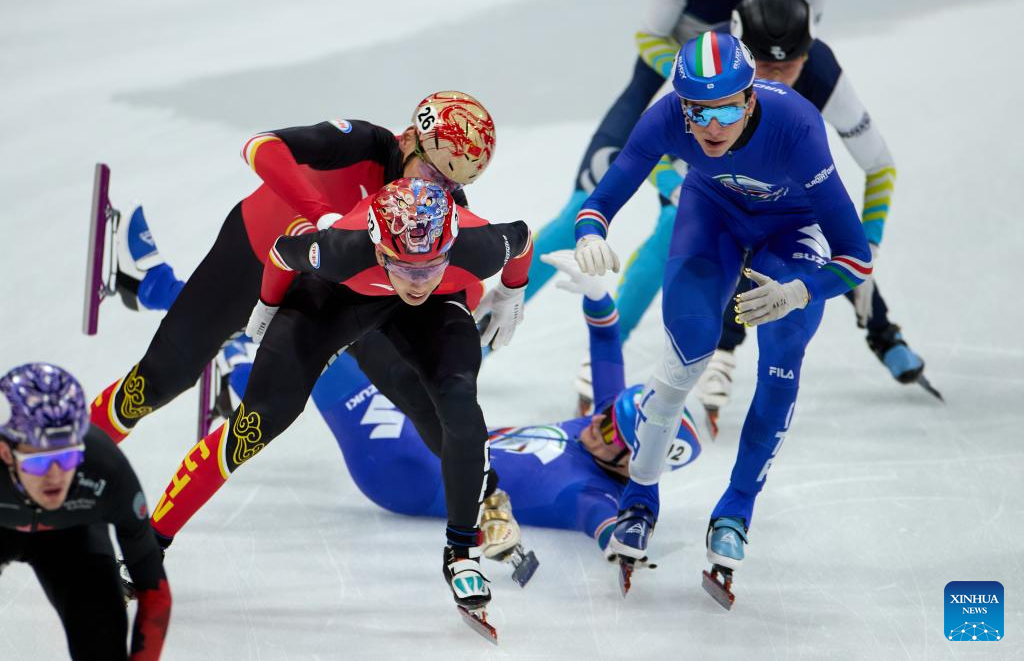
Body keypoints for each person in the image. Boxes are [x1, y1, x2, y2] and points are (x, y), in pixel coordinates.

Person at [147, 177, 531, 633]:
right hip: (338, 296)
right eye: (405, 268)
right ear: (379, 250)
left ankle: (461, 552)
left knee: (459, 404)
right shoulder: (340, 249)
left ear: (450, 247)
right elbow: (280, 252)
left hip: (434, 310)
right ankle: (151, 542)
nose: (418, 281)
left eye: (430, 266)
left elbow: (523, 238)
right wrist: (268, 303)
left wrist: (512, 290)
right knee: (255, 424)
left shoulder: (476, 245)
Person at [573, 32, 871, 603]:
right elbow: (603, 198)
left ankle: (736, 508)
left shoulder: (796, 127)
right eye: (698, 112)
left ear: (751, 99)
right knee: (685, 355)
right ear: (681, 107)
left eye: (727, 110)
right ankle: (639, 496)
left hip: (794, 229)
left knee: (782, 350)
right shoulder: (667, 118)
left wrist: (801, 292)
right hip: (712, 211)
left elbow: (855, 256)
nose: (712, 126)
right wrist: (591, 232)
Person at [90, 92, 497, 458]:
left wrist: (477, 302)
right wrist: (321, 215)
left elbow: (455, 277)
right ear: (408, 139)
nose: (440, 189)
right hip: (256, 255)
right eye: (434, 173)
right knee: (160, 380)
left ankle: (485, 496)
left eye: (454, 183)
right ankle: (74, 455)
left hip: (334, 292)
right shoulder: (364, 144)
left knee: (412, 389)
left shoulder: (443, 206)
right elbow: (260, 146)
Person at [220, 251, 703, 556]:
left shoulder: (592, 495)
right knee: (336, 334)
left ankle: (221, 343)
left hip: (403, 466)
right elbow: (606, 349)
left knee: (311, 357)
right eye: (609, 413)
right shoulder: (605, 428)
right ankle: (229, 339)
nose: (598, 422)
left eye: (614, 431)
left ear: (634, 464)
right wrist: (599, 299)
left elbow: (606, 526)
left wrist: (623, 544)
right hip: (427, 430)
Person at [525, 0, 824, 411]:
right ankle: (475, 332)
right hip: (673, 93)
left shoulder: (808, 7)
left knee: (691, 223)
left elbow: (855, 181)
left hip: (731, 104)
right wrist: (702, 82)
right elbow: (649, 36)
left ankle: (695, 349)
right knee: (577, 214)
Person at [694, 0, 938, 427]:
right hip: (722, 178)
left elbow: (879, 164)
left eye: (789, 66)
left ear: (807, 55)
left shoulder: (821, 72)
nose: (776, 78)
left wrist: (869, 246)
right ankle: (723, 350)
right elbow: (656, 152)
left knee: (824, 240)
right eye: (763, 65)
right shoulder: (710, 63)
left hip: (788, 179)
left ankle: (882, 331)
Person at [0, 363, 171, 660]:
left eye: (67, 458)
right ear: (6, 453)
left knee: (102, 644)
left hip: (72, 537)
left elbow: (155, 595)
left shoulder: (106, 468)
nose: (55, 476)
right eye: (40, 462)